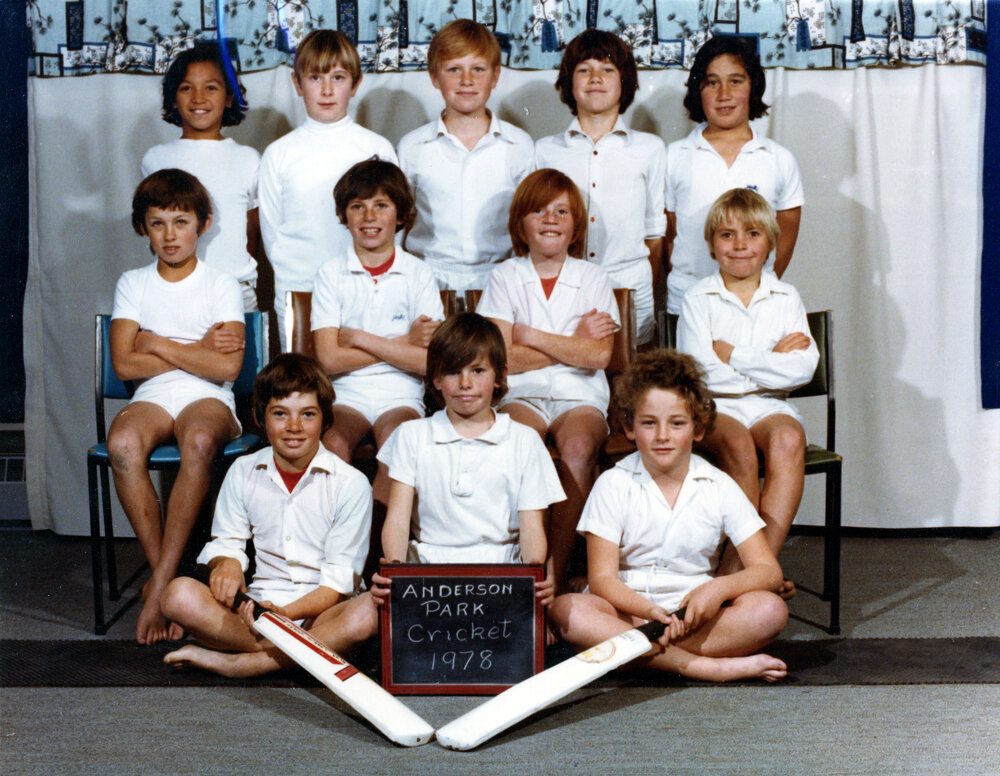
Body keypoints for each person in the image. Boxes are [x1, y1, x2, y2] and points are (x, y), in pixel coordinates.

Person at [548, 349, 788, 682]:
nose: (662, 436)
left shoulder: (719, 485)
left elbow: (768, 571)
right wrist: (648, 612)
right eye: (649, 423)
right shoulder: (612, 484)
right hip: (629, 612)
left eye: (677, 423)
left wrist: (717, 590)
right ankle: (706, 667)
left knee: (770, 610)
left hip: (694, 615)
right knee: (566, 611)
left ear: (698, 429)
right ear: (630, 428)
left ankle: (637, 655)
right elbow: (602, 580)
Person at [330, 312, 566, 641]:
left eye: (478, 371)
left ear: (500, 376)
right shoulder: (412, 435)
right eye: (453, 372)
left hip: (501, 575)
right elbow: (397, 520)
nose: (465, 383)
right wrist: (395, 567)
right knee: (364, 617)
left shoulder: (524, 440)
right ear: (436, 379)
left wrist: (534, 576)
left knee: (513, 640)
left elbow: (532, 528)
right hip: (427, 575)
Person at [160, 353, 373, 677]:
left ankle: (241, 664)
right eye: (280, 414)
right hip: (258, 610)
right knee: (177, 596)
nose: (294, 427)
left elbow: (337, 586)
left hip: (325, 612)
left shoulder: (350, 483)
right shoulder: (243, 470)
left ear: (325, 419)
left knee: (369, 612)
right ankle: (308, 655)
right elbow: (227, 542)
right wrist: (227, 564)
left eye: (307, 414)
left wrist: (285, 614)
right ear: (261, 418)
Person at [107, 169, 245, 645]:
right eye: (158, 223)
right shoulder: (133, 282)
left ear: (202, 225)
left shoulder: (221, 283)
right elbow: (125, 365)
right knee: (122, 443)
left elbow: (227, 367)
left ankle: (159, 586)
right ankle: (165, 577)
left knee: (200, 439)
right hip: (152, 395)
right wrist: (196, 349)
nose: (170, 235)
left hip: (209, 395)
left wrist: (157, 342)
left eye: (181, 222)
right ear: (143, 228)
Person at [476, 168, 619, 592]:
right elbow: (500, 360)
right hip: (522, 394)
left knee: (578, 448)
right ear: (520, 222)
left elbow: (599, 355)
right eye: (538, 211)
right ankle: (521, 562)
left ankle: (553, 571)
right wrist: (572, 343)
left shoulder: (593, 278)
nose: (550, 220)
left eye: (562, 211)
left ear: (577, 226)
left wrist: (531, 336)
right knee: (519, 442)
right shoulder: (504, 276)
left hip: (581, 394)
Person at [677, 188, 818, 592]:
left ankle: (747, 574)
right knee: (738, 445)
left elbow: (803, 368)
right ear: (711, 245)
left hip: (768, 406)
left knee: (788, 438)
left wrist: (735, 355)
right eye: (727, 235)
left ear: (770, 243)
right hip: (715, 406)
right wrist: (771, 360)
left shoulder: (786, 296)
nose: (740, 245)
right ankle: (750, 575)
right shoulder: (698, 298)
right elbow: (701, 376)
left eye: (752, 234)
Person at [311, 158, 444, 512]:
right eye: (358, 206)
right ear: (343, 216)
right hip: (345, 394)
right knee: (333, 444)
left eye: (381, 205)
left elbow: (428, 362)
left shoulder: (419, 273)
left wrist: (359, 338)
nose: (369, 216)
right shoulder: (330, 273)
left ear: (400, 215)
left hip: (401, 393)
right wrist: (402, 343)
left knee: (397, 445)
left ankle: (376, 542)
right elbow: (329, 359)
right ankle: (343, 540)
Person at [258, 29, 397, 344]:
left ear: (355, 84)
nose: (326, 90)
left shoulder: (376, 148)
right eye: (315, 78)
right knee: (303, 372)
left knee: (364, 366)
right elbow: (272, 235)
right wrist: (295, 279)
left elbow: (392, 226)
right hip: (299, 287)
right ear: (297, 84)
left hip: (364, 285)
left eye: (338, 78)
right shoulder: (279, 154)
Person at [534, 29, 666, 344]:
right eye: (584, 70)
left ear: (625, 81)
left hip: (629, 286)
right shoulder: (545, 151)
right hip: (565, 285)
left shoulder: (650, 149)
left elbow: (655, 234)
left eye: (607, 69)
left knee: (629, 368)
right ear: (569, 82)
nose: (596, 78)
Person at [665, 35, 803, 314]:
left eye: (736, 81)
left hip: (757, 302)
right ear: (698, 89)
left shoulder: (779, 159)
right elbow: (669, 233)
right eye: (712, 82)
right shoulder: (673, 156)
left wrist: (750, 282)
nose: (724, 94)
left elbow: (784, 238)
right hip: (687, 299)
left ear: (753, 87)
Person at [397, 18, 533, 294]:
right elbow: (398, 221)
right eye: (454, 69)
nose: (467, 81)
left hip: (501, 279)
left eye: (478, 69)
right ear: (434, 77)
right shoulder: (412, 147)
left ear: (495, 76)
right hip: (427, 278)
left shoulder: (519, 145)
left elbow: (529, 220)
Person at [141, 42, 262, 311]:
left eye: (211, 88)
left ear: (229, 97)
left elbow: (251, 232)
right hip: (174, 291)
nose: (198, 98)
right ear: (173, 98)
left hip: (236, 293)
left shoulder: (248, 159)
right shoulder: (155, 159)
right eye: (187, 88)